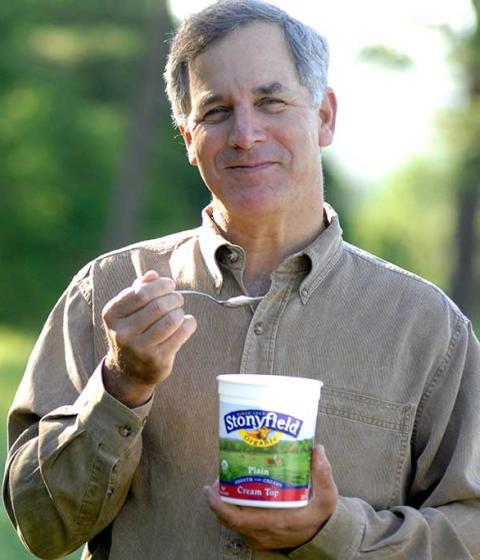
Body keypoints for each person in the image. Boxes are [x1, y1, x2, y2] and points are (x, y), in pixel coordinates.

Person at [3, 0, 480, 558]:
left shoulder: (424, 327)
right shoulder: (106, 295)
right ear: (187, 137)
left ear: (325, 116)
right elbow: (40, 529)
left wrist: (333, 534)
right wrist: (120, 386)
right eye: (217, 111)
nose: (246, 134)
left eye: (271, 101)